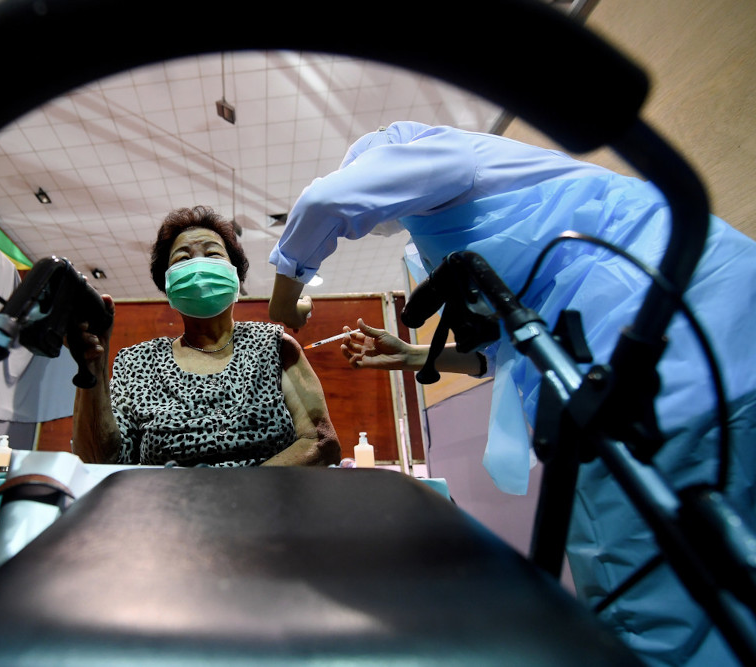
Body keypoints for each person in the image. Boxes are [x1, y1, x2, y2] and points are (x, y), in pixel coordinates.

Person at [267, 122, 756, 666]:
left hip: (653, 355)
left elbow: (326, 199)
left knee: (658, 602)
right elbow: (503, 350)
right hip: (727, 339)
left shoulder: (447, 153)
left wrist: (284, 297)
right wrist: (411, 356)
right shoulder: (513, 216)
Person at [70, 205, 340, 468]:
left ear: (235, 274)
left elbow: (320, 442)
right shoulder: (137, 363)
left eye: (212, 254)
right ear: (167, 282)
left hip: (265, 505)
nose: (198, 265)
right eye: (183, 258)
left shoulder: (273, 347)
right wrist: (92, 365)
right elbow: (101, 460)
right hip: (169, 509)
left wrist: (235, 493)